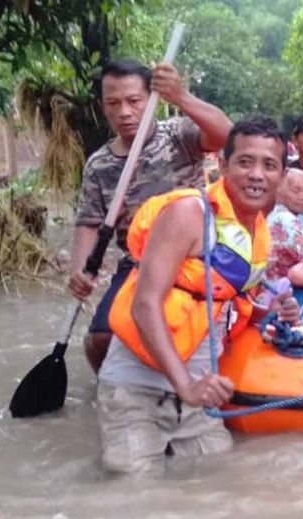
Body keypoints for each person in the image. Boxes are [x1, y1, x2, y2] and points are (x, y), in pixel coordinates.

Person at [96, 116, 298, 476]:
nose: (256, 174)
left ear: (281, 176)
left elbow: (226, 306)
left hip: (198, 399)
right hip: (137, 391)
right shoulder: (190, 213)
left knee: (218, 489)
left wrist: (273, 310)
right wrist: (186, 386)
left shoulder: (255, 230)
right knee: (132, 498)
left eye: (269, 165)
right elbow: (145, 304)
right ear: (221, 165)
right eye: (245, 162)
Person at [69, 59, 233, 374]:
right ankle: (121, 395)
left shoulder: (179, 135)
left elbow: (227, 136)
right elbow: (89, 223)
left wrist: (181, 97)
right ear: (103, 107)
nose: (124, 112)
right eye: (113, 104)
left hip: (198, 259)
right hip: (138, 263)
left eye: (134, 101)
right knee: (100, 339)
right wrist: (79, 270)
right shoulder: (99, 165)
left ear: (152, 100)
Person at [266, 169, 303, 281]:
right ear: (280, 191)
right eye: (296, 191)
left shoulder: (302, 216)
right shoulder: (283, 218)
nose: (302, 196)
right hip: (280, 289)